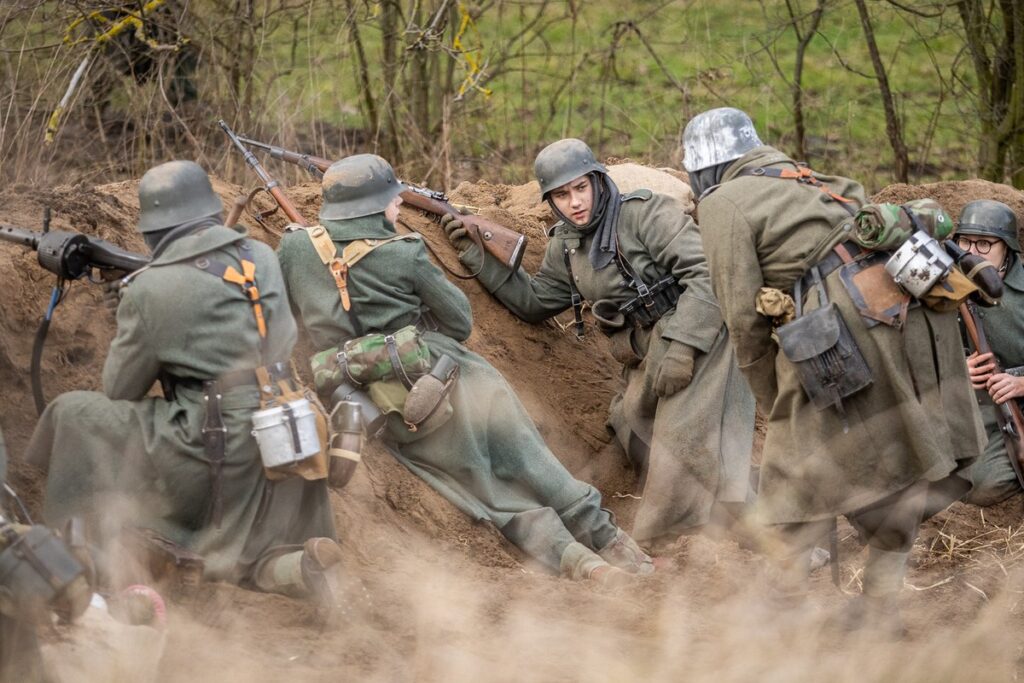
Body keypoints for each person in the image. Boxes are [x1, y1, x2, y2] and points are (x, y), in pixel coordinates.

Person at [277, 153, 653, 583]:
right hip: (451, 376)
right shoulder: (404, 252)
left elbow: (286, 317)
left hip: (382, 402)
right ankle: (614, 545)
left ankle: (581, 564)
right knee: (534, 463)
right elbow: (458, 322)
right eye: (392, 197)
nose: (398, 203)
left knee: (494, 496)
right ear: (375, 206)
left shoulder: (293, 248)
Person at [687, 107, 985, 631]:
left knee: (796, 471)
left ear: (703, 168)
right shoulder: (811, 178)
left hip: (844, 334)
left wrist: (771, 398)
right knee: (898, 458)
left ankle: (781, 606)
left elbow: (741, 316)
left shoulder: (722, 203)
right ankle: (880, 608)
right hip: (907, 315)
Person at [25, 160, 342, 603]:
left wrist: (128, 312)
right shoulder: (262, 257)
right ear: (210, 211)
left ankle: (73, 562)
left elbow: (121, 390)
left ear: (154, 230)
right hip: (289, 426)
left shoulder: (151, 289)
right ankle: (296, 569)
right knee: (251, 552)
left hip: (215, 441)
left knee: (72, 412)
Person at [442, 138, 756, 545]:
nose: (574, 202)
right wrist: (477, 255)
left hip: (704, 334)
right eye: (561, 195)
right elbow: (535, 302)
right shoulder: (566, 244)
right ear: (551, 201)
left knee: (682, 441)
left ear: (597, 180)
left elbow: (708, 274)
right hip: (647, 349)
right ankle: (750, 506)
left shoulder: (645, 214)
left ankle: (679, 539)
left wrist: (684, 346)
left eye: (580, 188)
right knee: (632, 429)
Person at [958, 200, 1024, 505]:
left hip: (1020, 396)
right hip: (981, 408)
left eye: (984, 243)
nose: (973, 251)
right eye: (965, 241)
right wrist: (959, 369)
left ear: (1006, 247)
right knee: (979, 486)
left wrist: (1020, 383)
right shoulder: (945, 288)